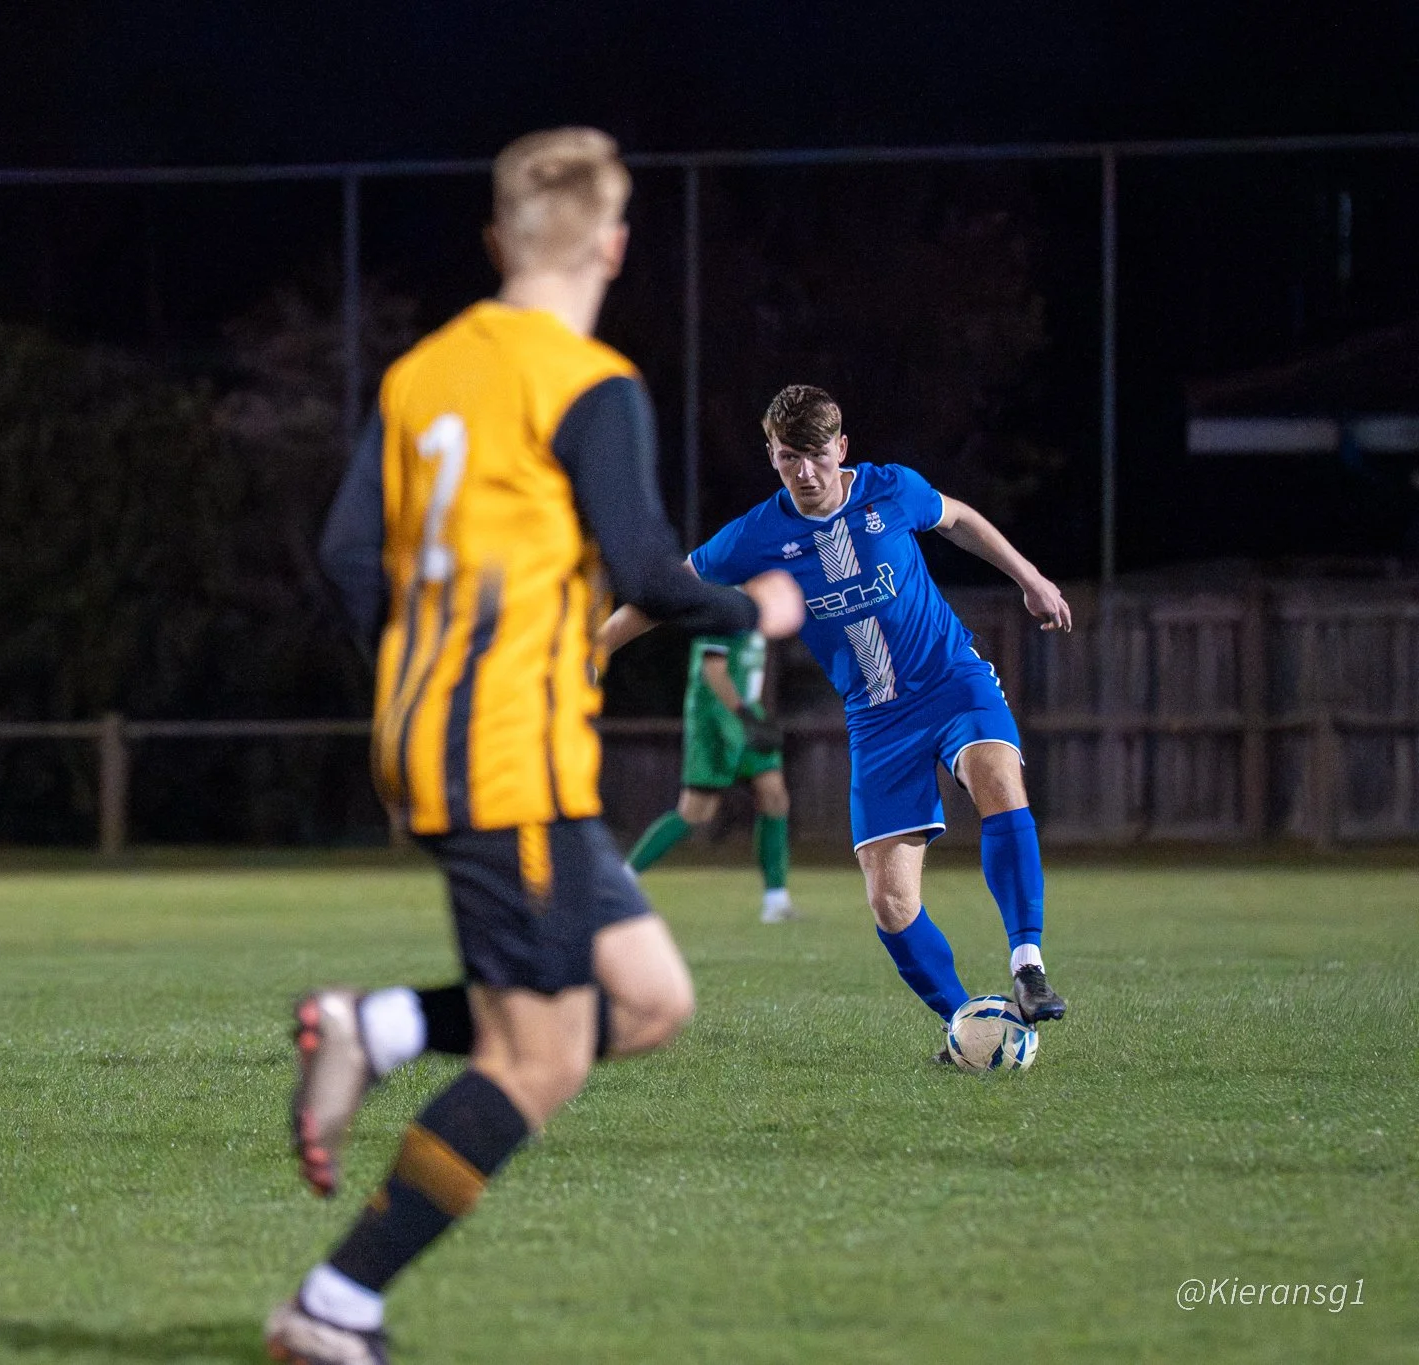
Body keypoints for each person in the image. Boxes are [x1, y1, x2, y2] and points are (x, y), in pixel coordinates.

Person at [264, 128, 803, 1364]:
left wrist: (416, 691)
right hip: (508, 758)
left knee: (650, 1002)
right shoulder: (588, 380)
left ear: (499, 239)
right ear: (612, 245)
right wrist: (757, 608)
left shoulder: (419, 376)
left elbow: (352, 560)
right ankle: (334, 1305)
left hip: (435, 743)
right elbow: (654, 572)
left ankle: (380, 1027)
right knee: (542, 1060)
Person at [603, 384, 1072, 1060]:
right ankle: (966, 1022)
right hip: (877, 721)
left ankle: (1028, 963)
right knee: (890, 904)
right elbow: (670, 589)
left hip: (950, 679)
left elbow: (959, 517)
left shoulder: (891, 491)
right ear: (772, 456)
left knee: (996, 775)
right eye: (790, 456)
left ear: (842, 448)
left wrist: (1029, 577)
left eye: (818, 455)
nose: (806, 472)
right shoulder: (757, 534)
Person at [624, 628, 797, 922]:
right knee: (695, 812)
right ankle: (622, 880)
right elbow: (713, 670)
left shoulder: (761, 601)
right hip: (716, 719)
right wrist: (744, 716)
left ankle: (776, 899)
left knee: (775, 796)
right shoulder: (723, 603)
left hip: (746, 713)